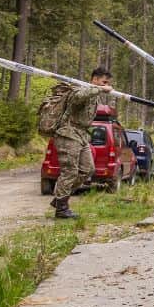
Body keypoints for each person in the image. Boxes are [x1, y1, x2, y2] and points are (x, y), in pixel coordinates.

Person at [50, 66, 114, 219]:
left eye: (107, 83)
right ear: (95, 79)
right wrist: (100, 89)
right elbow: (78, 98)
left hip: (82, 135)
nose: (106, 85)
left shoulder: (94, 94)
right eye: (104, 82)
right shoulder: (81, 88)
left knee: (88, 169)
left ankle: (59, 198)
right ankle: (61, 209)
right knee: (70, 171)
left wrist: (99, 90)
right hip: (68, 133)